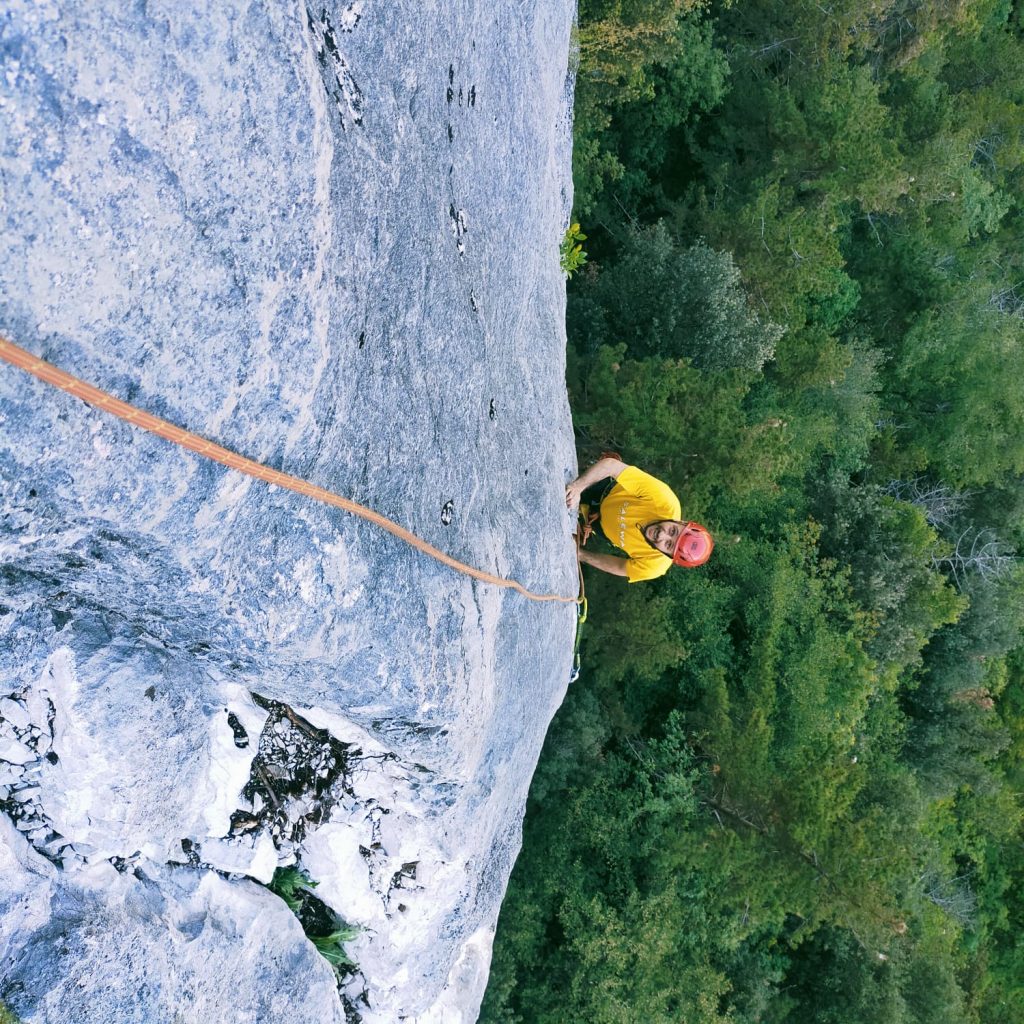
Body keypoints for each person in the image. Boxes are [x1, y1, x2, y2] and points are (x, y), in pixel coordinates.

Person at [565, 456, 712, 582]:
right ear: (681, 522)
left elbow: (620, 567)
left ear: (668, 555)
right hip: (602, 489)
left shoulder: (655, 566)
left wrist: (581, 555)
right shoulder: (664, 500)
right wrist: (578, 487)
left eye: (668, 544)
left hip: (599, 526)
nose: (662, 535)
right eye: (673, 531)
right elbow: (611, 466)